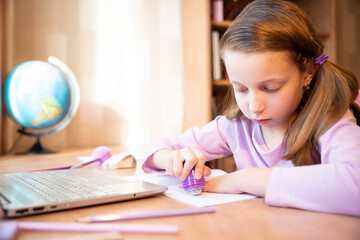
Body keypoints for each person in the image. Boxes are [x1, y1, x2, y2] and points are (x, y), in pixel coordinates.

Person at [142, 0, 360, 217]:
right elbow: (159, 148)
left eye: (271, 88)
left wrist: (242, 179)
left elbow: (355, 185)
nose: (255, 107)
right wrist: (170, 158)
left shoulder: (330, 118)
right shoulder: (235, 126)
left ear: (308, 73)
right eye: (241, 89)